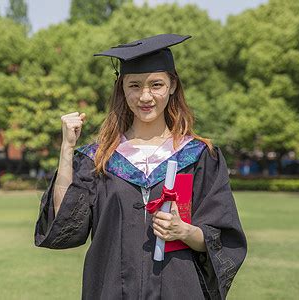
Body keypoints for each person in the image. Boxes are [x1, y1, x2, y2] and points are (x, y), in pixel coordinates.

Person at [34, 34, 247, 299]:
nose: (145, 96)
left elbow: (223, 237)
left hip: (178, 289)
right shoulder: (99, 158)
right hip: (112, 288)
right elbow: (65, 223)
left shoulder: (199, 156)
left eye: (156, 84)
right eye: (134, 85)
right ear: (122, 89)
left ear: (172, 86)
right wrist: (67, 148)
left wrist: (185, 231)